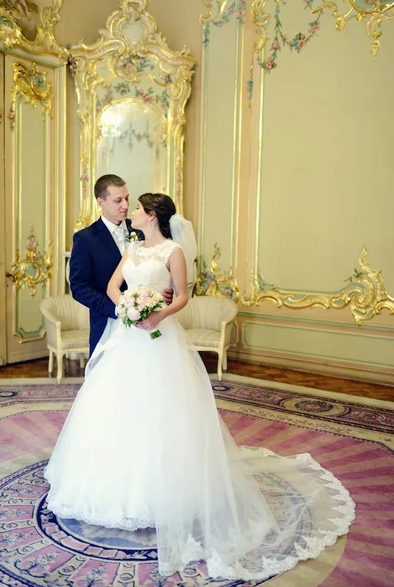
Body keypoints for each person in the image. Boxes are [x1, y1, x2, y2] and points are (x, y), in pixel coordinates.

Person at [45, 193, 355, 581]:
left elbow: (184, 297)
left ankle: (173, 489)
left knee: (166, 409)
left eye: (137, 207)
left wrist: (157, 312)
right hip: (128, 337)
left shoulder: (173, 251)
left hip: (160, 336)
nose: (132, 212)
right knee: (117, 408)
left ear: (152, 214)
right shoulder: (134, 248)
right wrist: (127, 310)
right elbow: (111, 286)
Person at [69, 174, 172, 356]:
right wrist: (121, 309)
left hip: (148, 324)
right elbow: (79, 288)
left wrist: (162, 294)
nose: (125, 205)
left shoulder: (142, 230)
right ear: (101, 202)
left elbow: (159, 266)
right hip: (107, 323)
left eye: (127, 198)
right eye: (118, 200)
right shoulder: (85, 239)